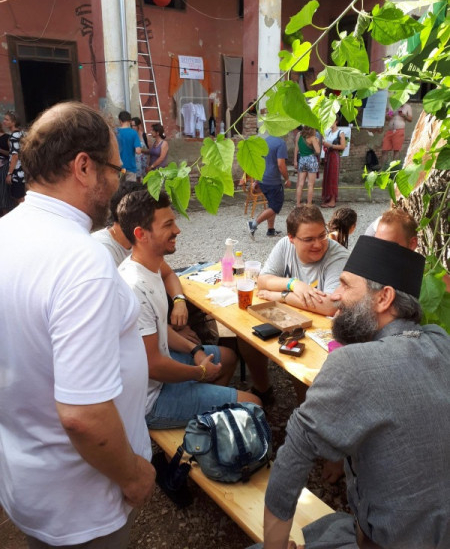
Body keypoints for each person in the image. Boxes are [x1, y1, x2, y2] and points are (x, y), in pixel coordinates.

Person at [0, 102, 155, 548]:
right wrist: (133, 475)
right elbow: (84, 416)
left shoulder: (8, 231)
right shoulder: (82, 262)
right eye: (115, 169)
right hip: (82, 502)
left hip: (29, 479)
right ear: (84, 167)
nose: (118, 182)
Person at [260, 235, 450, 549]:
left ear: (384, 298)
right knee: (333, 525)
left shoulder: (353, 363)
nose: (335, 294)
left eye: (346, 285)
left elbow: (292, 460)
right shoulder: (441, 341)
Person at [117, 189, 261, 429]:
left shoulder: (149, 265)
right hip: (149, 400)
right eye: (168, 225)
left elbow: (157, 328)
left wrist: (194, 349)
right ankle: (202, 428)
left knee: (227, 357)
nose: (178, 230)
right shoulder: (135, 286)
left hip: (157, 370)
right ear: (141, 234)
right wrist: (200, 373)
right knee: (254, 404)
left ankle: (206, 425)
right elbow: (154, 366)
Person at [241, 205, 348, 405]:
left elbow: (330, 306)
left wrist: (281, 295)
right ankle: (263, 389)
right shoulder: (284, 245)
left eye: (322, 236)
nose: (318, 244)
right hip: (291, 317)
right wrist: (293, 284)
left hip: (323, 330)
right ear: (291, 238)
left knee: (301, 362)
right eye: (309, 239)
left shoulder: (338, 256)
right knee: (247, 336)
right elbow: (263, 280)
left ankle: (303, 411)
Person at [91, 180, 194, 337]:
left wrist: (179, 301)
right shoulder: (102, 252)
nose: (177, 230)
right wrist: (173, 336)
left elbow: (168, 274)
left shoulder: (140, 244)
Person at [247, 134, 292, 239]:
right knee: (275, 206)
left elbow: (259, 161)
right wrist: (287, 179)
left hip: (263, 179)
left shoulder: (265, 141)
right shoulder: (280, 143)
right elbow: (281, 164)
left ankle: (270, 230)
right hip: (273, 181)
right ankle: (253, 224)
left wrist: (257, 180)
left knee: (271, 204)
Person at [321, 118, 346, 208]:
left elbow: (343, 146)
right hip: (328, 155)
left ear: (336, 122)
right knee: (327, 176)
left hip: (334, 155)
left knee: (333, 176)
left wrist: (330, 145)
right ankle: (328, 197)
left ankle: (332, 200)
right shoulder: (328, 133)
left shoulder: (340, 133)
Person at [293, 126, 321, 206]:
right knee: (310, 184)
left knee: (300, 183)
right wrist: (317, 142)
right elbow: (318, 151)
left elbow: (296, 148)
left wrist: (295, 160)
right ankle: (309, 204)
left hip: (302, 159)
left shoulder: (299, 135)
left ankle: (298, 203)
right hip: (311, 160)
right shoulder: (312, 138)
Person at [3, 110, 26, 207]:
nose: (4, 121)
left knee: (19, 198)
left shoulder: (14, 136)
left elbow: (15, 156)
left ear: (14, 122)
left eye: (7, 120)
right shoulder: (21, 133)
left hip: (17, 171)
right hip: (23, 169)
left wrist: (9, 173)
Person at [381, 102, 412, 168]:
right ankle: (383, 168)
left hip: (399, 130)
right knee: (384, 150)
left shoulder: (407, 107)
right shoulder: (391, 105)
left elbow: (410, 119)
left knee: (396, 150)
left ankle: (394, 168)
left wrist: (404, 115)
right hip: (390, 130)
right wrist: (390, 114)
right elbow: (387, 118)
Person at [116, 110, 142, 181]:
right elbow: (138, 151)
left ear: (120, 120)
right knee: (130, 187)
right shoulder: (133, 133)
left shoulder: (115, 132)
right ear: (130, 121)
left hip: (118, 167)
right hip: (130, 166)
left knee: (118, 187)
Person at [0, 121, 13, 216]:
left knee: (3, 191)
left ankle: (6, 215)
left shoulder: (7, 137)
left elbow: (12, 154)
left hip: (4, 166)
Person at [131, 116, 149, 182]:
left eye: (134, 126)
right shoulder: (131, 136)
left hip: (144, 162)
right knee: (136, 180)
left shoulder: (144, 135)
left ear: (139, 125)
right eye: (131, 126)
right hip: (134, 163)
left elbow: (149, 150)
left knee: (145, 179)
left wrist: (141, 150)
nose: (133, 127)